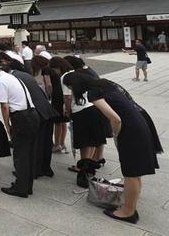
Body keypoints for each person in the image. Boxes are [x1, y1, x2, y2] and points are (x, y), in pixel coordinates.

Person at [62, 74, 160, 223]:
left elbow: (115, 119)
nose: (70, 90)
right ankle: (130, 204)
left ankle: (128, 212)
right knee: (135, 171)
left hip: (130, 129)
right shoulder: (106, 84)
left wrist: (116, 135)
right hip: (140, 122)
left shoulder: (93, 93)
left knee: (130, 172)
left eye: (70, 87)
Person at [0, 63, 39, 198]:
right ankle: (26, 186)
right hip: (32, 115)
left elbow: (4, 106)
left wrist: (8, 126)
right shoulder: (11, 76)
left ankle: (21, 189)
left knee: (20, 155)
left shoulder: (0, 81)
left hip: (21, 118)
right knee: (29, 154)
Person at [10, 68, 58, 178]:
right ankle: (46, 168)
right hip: (47, 109)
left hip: (37, 112)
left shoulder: (13, 79)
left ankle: (35, 170)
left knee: (37, 143)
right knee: (46, 141)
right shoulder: (24, 74)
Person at [61, 70, 107, 175]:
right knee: (92, 141)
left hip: (82, 115)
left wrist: (68, 111)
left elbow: (70, 101)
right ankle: (88, 164)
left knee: (84, 143)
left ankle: (83, 167)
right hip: (94, 110)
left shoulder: (77, 92)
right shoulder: (87, 85)